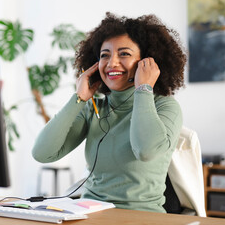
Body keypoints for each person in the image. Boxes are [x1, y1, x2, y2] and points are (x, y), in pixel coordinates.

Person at [32, 12, 186, 213]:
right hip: (91, 214)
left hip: (142, 217)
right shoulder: (94, 107)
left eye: (124, 54)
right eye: (105, 55)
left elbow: (146, 151)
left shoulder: (165, 106)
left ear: (147, 62)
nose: (112, 63)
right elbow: (42, 153)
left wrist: (144, 89)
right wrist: (78, 99)